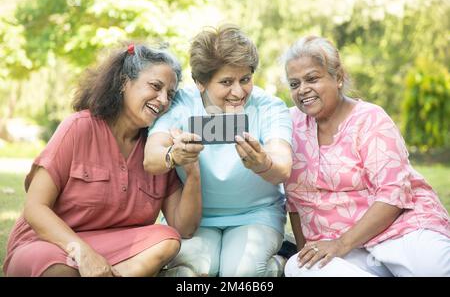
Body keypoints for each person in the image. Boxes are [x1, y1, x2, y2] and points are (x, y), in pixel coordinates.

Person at [3, 43, 202, 277]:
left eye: (170, 94)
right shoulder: (78, 127)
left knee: (166, 239)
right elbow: (35, 209)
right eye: (155, 87)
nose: (163, 100)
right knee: (59, 271)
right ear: (124, 82)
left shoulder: (158, 149)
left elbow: (183, 228)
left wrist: (192, 172)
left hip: (114, 249)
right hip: (49, 243)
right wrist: (83, 252)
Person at [282, 35, 450, 277]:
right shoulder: (289, 125)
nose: (303, 90)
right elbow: (296, 204)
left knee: (434, 269)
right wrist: (306, 249)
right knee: (298, 266)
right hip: (338, 247)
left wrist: (342, 243)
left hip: (400, 230)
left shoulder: (370, 119)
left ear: (338, 77)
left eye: (312, 78)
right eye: (294, 84)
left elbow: (393, 196)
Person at [144, 25, 293, 277]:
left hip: (256, 214)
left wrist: (262, 163)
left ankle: (279, 267)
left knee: (241, 275)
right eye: (226, 82)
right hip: (197, 218)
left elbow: (283, 166)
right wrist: (174, 155)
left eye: (245, 79)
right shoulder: (181, 103)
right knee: (193, 272)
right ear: (200, 82)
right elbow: (151, 158)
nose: (238, 92)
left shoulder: (269, 106)